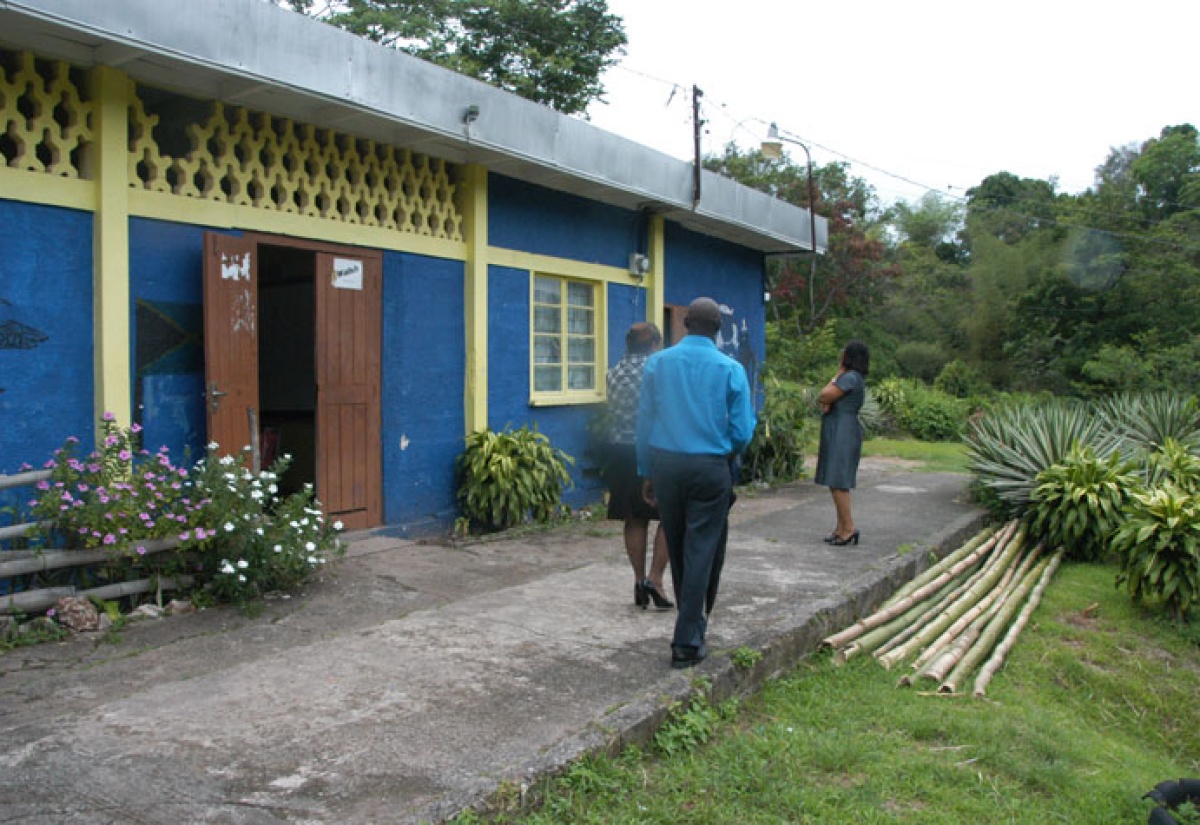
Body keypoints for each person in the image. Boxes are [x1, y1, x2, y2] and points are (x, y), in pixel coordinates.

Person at [636, 297, 756, 669]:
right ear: (718, 329)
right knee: (702, 547)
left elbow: (645, 422)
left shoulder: (657, 364)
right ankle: (688, 638)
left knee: (678, 541)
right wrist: (727, 454)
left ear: (686, 324)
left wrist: (646, 471)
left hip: (667, 466)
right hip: (710, 467)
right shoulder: (731, 369)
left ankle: (692, 624)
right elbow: (742, 431)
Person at [604, 322, 673, 610]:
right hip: (654, 447)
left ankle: (637, 579)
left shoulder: (613, 373)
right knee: (669, 514)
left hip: (620, 449)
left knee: (634, 517)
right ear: (655, 343)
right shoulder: (659, 369)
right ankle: (655, 579)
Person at [815, 340, 870, 546]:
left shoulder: (849, 377)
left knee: (839, 480)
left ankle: (848, 528)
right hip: (839, 427)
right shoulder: (854, 378)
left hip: (842, 430)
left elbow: (825, 394)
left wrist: (837, 373)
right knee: (834, 479)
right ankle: (840, 527)